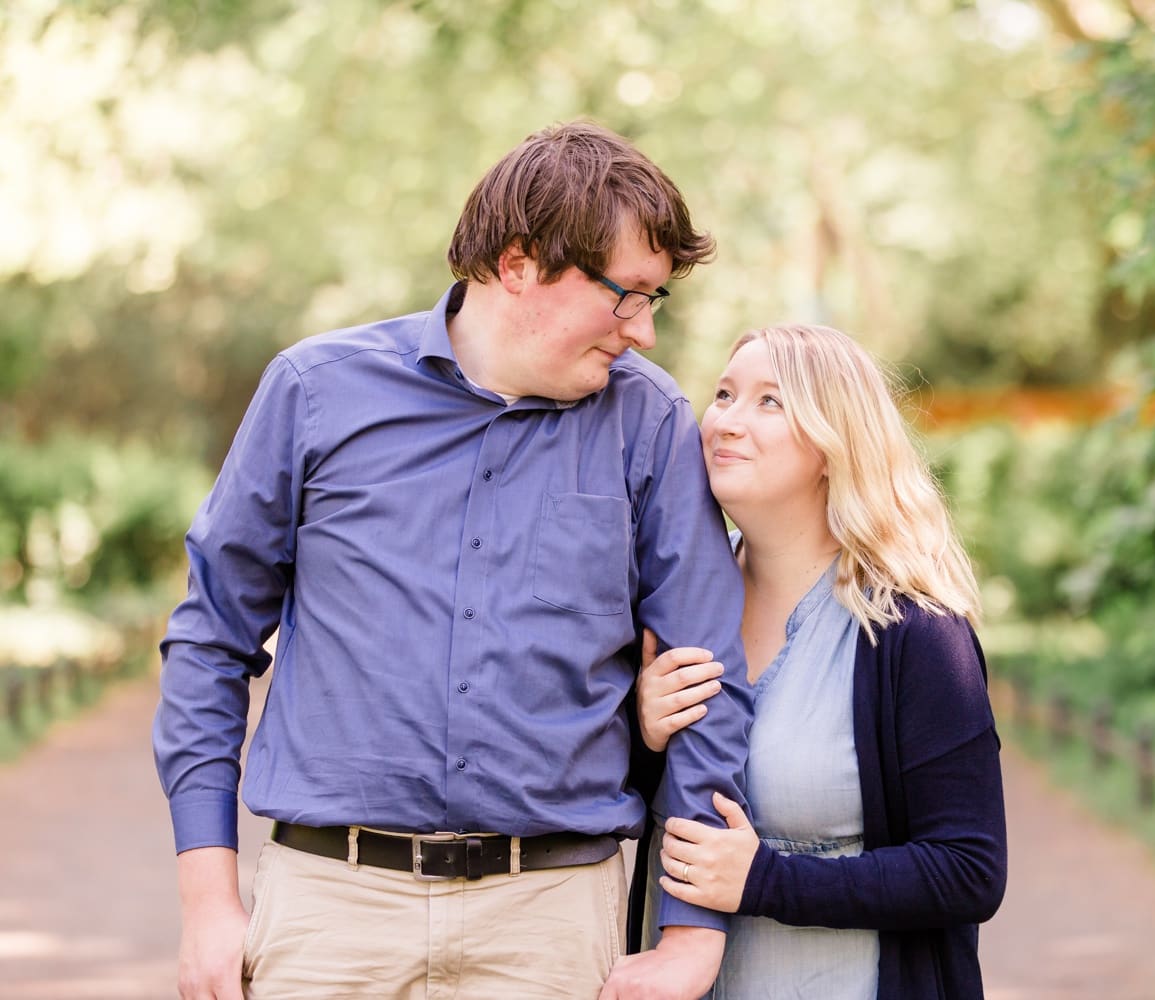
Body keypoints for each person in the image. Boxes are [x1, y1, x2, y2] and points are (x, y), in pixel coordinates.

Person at [152, 121, 754, 1000]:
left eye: (653, 301)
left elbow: (708, 682)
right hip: (331, 916)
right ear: (520, 265)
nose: (644, 332)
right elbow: (210, 641)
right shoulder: (315, 394)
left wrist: (692, 937)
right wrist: (207, 902)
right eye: (628, 295)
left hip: (554, 922)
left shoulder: (651, 425)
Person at [632, 324, 1007, 999]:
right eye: (723, 394)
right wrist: (643, 739)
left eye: (769, 402)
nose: (726, 421)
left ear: (834, 446)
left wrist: (766, 881)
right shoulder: (664, 612)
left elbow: (968, 868)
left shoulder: (915, 632)